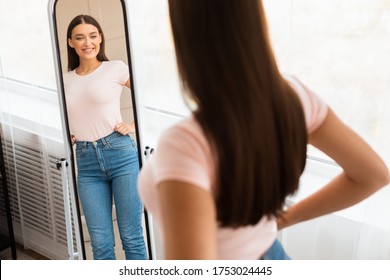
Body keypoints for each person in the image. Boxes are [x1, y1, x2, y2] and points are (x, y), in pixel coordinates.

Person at [137, 0, 389, 259]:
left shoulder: (184, 144)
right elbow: (373, 175)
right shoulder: (295, 97)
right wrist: (282, 221)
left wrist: (280, 221)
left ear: (185, 35)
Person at [63, 14, 147, 260]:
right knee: (100, 244)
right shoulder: (65, 80)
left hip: (121, 154)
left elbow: (150, 96)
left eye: (92, 35)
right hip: (87, 162)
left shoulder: (116, 68)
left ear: (100, 38)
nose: (87, 42)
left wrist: (134, 125)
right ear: (71, 42)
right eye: (80, 37)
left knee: (131, 237)